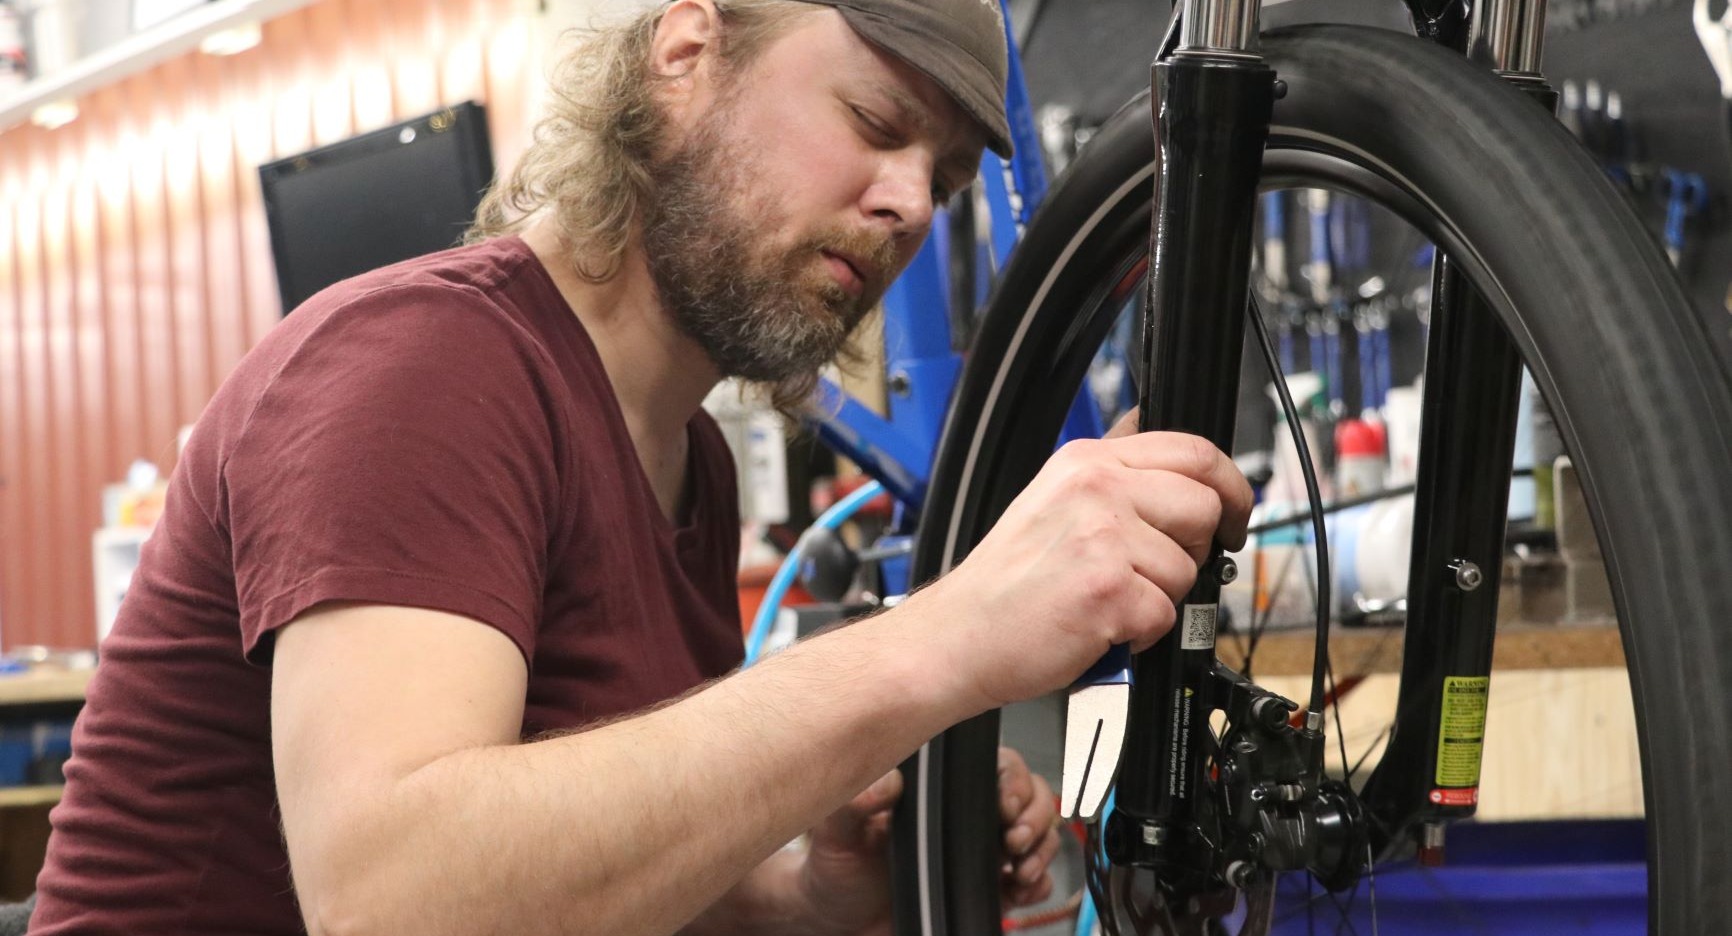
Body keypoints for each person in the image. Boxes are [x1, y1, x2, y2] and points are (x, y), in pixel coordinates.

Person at [30, 0, 1252, 933]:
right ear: (684, 57)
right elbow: (394, 896)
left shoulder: (689, 461)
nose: (905, 206)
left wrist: (803, 895)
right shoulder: (425, 365)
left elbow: (564, 876)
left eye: (935, 178)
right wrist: (945, 637)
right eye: (875, 125)